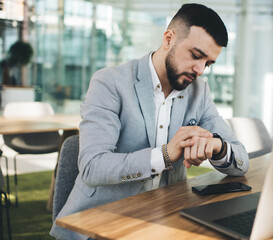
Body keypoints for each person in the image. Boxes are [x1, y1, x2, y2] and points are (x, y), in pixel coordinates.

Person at [50, 3, 249, 239]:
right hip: (101, 221)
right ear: (168, 39)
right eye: (196, 56)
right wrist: (165, 154)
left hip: (165, 217)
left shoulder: (199, 92)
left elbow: (242, 161)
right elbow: (93, 167)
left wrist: (218, 147)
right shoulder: (109, 82)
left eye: (208, 63)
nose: (201, 70)